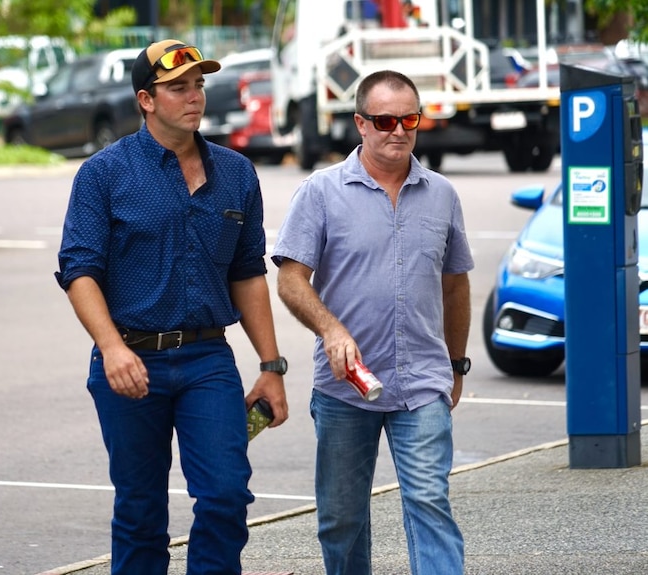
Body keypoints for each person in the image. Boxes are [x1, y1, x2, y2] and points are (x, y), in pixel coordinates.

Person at [54, 39, 289, 575]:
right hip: (131, 362)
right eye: (177, 87)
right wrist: (111, 349)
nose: (194, 97)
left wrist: (271, 367)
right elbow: (79, 271)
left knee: (227, 497)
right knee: (140, 514)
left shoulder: (236, 173)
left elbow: (248, 271)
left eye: (199, 85)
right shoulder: (103, 174)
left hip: (208, 360)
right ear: (146, 99)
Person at [271, 69, 472, 575]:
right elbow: (291, 281)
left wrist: (457, 364)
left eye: (409, 119)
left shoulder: (443, 194)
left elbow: (455, 285)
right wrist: (331, 330)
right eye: (384, 120)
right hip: (345, 390)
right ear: (360, 123)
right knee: (341, 520)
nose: (398, 131)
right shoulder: (320, 191)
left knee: (429, 502)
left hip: (423, 382)